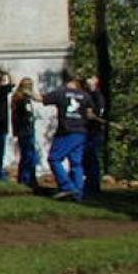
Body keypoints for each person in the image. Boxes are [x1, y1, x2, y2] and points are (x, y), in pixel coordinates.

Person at [44, 72, 91, 201]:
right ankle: (78, 193)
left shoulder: (61, 93)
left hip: (66, 131)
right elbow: (89, 114)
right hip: (81, 132)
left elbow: (42, 99)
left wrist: (28, 93)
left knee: (54, 158)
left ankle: (67, 187)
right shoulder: (85, 95)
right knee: (76, 163)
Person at [10, 76, 42, 190]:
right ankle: (25, 179)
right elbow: (19, 117)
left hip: (28, 130)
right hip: (25, 131)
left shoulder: (25, 100)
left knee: (30, 155)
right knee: (28, 156)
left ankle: (30, 178)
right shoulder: (20, 99)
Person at [83, 75, 108, 196]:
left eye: (91, 79)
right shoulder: (87, 94)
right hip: (88, 131)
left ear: (96, 82)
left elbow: (96, 114)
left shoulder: (97, 96)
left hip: (94, 132)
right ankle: (89, 183)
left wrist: (91, 115)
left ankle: (93, 185)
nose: (88, 81)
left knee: (92, 158)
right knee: (87, 159)